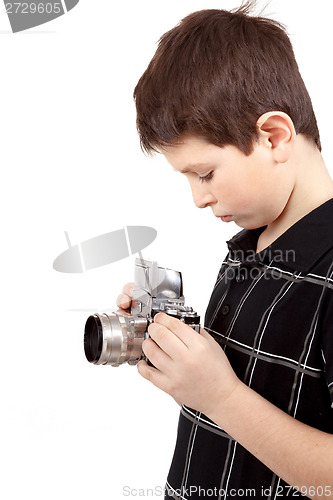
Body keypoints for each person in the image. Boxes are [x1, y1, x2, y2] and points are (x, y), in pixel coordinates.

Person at [117, 2, 333, 498]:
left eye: (205, 173)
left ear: (274, 136)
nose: (198, 199)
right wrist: (174, 352)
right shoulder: (248, 251)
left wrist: (220, 396)